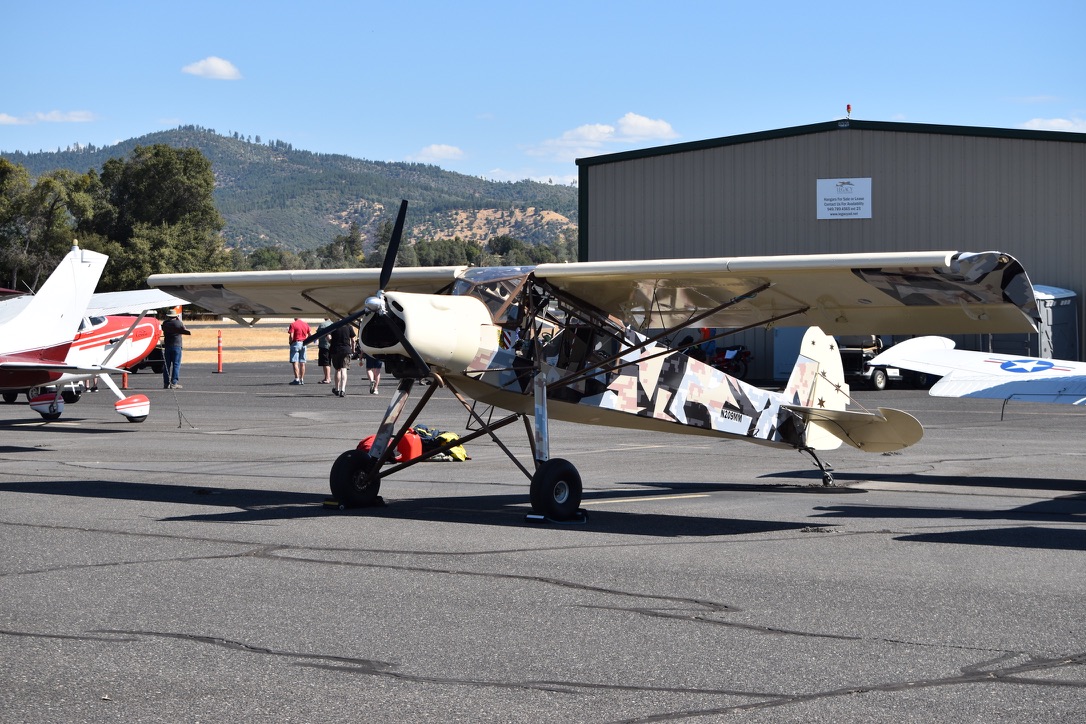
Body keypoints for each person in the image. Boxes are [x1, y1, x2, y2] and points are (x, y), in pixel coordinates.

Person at [161, 309, 191, 389]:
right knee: (176, 364)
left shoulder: (165, 323)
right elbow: (184, 329)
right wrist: (179, 320)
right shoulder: (178, 323)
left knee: (167, 365)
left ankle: (166, 383)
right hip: (176, 345)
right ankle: (174, 382)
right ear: (175, 316)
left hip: (167, 346)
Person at [329, 323, 356, 397]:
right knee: (344, 370)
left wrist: (332, 342)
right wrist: (353, 349)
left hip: (335, 349)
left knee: (337, 369)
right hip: (346, 349)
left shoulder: (334, 326)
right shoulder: (349, 327)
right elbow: (353, 340)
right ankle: (343, 390)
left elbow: (327, 336)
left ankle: (337, 388)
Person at [287, 317, 312, 385]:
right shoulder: (305, 324)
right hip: (304, 343)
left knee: (295, 362)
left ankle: (297, 379)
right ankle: (302, 379)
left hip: (296, 343)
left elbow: (291, 336)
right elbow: (310, 335)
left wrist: (290, 342)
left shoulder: (293, 324)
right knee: (302, 362)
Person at [314, 318, 333, 384]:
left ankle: (327, 378)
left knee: (325, 363)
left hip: (324, 345)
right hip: (332, 346)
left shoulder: (323, 325)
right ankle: (328, 377)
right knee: (328, 362)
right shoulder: (333, 323)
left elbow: (318, 334)